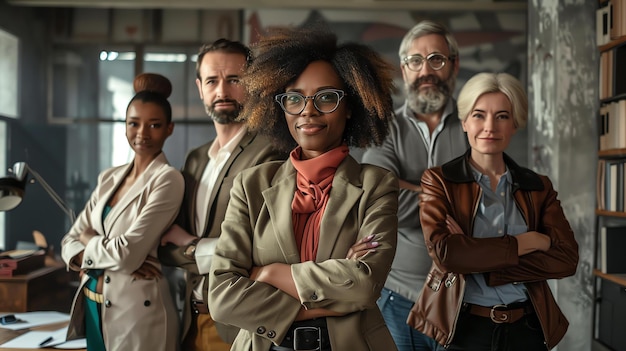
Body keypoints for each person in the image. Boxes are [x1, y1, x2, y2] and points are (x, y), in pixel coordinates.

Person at [208, 27, 399, 351]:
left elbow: (364, 286)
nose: (308, 110)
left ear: (350, 105)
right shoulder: (252, 185)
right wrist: (337, 292)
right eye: (294, 98)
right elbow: (222, 296)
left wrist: (268, 273)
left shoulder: (376, 185)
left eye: (326, 97)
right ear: (280, 107)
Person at [407, 72, 579, 350]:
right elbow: (446, 254)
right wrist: (528, 242)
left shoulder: (538, 186)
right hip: (465, 330)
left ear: (515, 123)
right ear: (464, 122)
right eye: (478, 115)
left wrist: (481, 259)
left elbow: (567, 258)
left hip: (528, 329)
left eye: (502, 116)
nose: (490, 126)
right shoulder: (439, 181)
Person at [158, 38, 287, 351]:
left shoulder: (272, 153)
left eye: (234, 80)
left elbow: (261, 250)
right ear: (200, 87)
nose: (222, 92)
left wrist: (188, 247)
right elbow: (163, 245)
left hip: (238, 326)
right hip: (190, 320)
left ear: (253, 84)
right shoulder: (195, 158)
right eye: (213, 81)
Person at [360, 20, 468, 351]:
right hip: (398, 298)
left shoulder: (476, 122)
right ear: (404, 70)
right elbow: (380, 204)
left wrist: (407, 185)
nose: (426, 70)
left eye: (436, 59)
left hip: (466, 297)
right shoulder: (384, 130)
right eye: (415, 61)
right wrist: (451, 195)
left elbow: (485, 202)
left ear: (454, 65)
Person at [61, 73, 183, 351]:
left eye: (154, 125)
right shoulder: (109, 177)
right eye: (134, 124)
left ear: (169, 129)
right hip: (93, 304)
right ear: (125, 125)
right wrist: (95, 250)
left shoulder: (168, 179)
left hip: (138, 312)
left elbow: (127, 256)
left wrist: (89, 243)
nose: (142, 134)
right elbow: (68, 240)